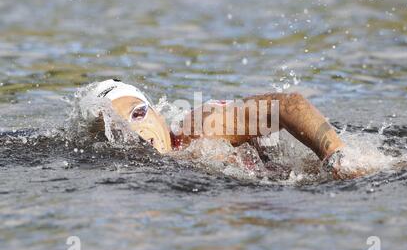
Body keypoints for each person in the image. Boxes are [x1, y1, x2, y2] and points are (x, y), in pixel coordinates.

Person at [91, 79, 345, 176]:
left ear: (157, 113)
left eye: (138, 113)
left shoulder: (200, 128)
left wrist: (338, 161)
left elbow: (288, 105)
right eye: (117, 129)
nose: (135, 131)